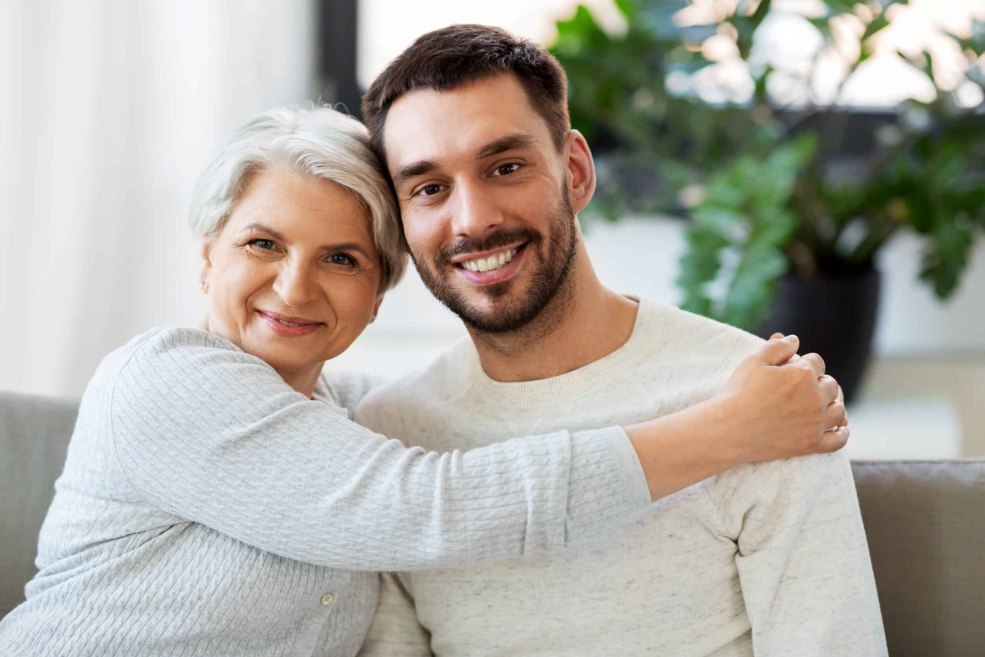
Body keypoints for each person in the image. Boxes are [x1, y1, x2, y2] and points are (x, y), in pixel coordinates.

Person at [0, 105, 846, 657]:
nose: (295, 287)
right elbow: (429, 505)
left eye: (341, 258)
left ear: (377, 292)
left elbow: (480, 410)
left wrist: (725, 380)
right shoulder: (164, 380)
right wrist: (729, 428)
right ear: (208, 254)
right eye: (263, 244)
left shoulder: (357, 416)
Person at [355, 24, 886, 657]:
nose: (473, 219)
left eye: (505, 166)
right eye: (429, 188)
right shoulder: (391, 436)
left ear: (575, 172)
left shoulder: (770, 403)